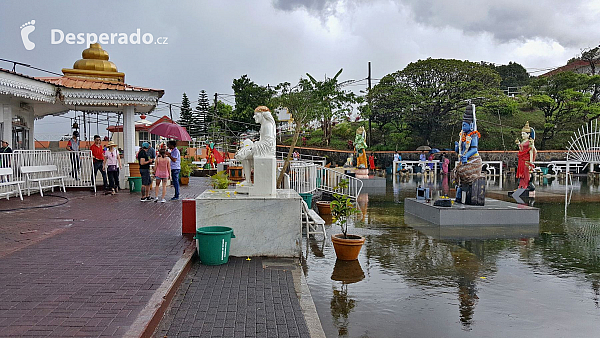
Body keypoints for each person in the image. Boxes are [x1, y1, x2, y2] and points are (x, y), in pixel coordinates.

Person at [516, 121, 537, 190]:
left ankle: (526, 185)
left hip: (526, 160)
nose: (522, 135)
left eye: (524, 134)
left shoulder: (530, 142)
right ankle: (521, 186)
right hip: (521, 160)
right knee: (522, 174)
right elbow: (521, 149)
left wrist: (531, 162)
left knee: (526, 174)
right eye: (522, 134)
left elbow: (531, 151)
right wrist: (518, 144)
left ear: (528, 134)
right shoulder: (523, 141)